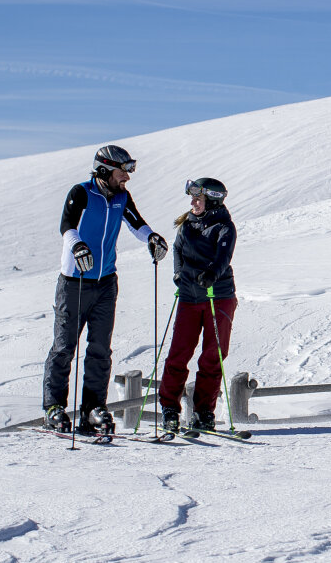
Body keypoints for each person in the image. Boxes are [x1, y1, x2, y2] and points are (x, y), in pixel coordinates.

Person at [42, 145, 167, 435]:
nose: (127, 178)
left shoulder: (121, 197)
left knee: (100, 349)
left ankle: (92, 410)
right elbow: (67, 225)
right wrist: (78, 245)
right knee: (64, 348)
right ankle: (53, 408)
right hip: (75, 282)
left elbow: (136, 223)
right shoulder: (81, 192)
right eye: (122, 171)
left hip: (106, 283)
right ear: (104, 169)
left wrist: (152, 238)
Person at [157, 177, 238, 435]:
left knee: (213, 356)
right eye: (192, 198)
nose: (193, 203)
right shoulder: (187, 225)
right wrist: (179, 274)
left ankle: (204, 412)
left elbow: (223, 257)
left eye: (198, 199)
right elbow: (178, 251)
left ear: (212, 200)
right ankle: (170, 410)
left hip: (218, 296)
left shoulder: (225, 227)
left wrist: (212, 274)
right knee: (179, 354)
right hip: (190, 297)